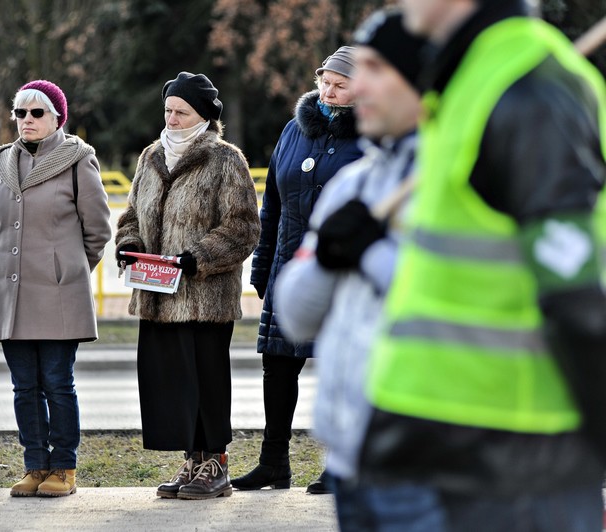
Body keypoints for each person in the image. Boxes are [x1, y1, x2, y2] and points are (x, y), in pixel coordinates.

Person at [358, 0, 606, 529]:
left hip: (514, 464)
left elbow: (577, 298)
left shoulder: (530, 92)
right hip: (440, 451)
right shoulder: (471, 77)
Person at [276, 9, 429, 530]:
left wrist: (371, 254)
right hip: (350, 453)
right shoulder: (355, 185)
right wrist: (327, 255)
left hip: (428, 451)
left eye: (373, 73)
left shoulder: (458, 182)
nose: (352, 89)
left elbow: (437, 298)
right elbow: (296, 312)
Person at [114, 71, 260, 500]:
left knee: (207, 382)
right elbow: (131, 216)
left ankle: (216, 465)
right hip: (157, 295)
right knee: (173, 386)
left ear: (205, 116)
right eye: (168, 110)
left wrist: (197, 258)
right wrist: (129, 245)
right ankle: (192, 463)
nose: (172, 118)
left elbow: (243, 227)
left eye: (182, 112)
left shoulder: (225, 159)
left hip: (203, 297)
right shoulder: (150, 157)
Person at [234, 46, 363, 493]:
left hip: (345, 274)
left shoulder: (373, 136)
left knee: (339, 370)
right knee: (278, 368)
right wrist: (263, 263)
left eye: (340, 84)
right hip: (289, 269)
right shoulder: (294, 130)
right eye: (325, 81)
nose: (328, 90)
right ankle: (273, 463)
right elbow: (272, 205)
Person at [0, 80, 111, 498]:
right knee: (24, 386)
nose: (27, 120)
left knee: (57, 382)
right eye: (20, 113)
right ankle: (35, 465)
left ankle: (64, 468)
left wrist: (67, 270)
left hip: (58, 293)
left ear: (57, 117)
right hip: (9, 291)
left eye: (37, 113)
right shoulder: (3, 162)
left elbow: (98, 229)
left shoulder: (77, 160)